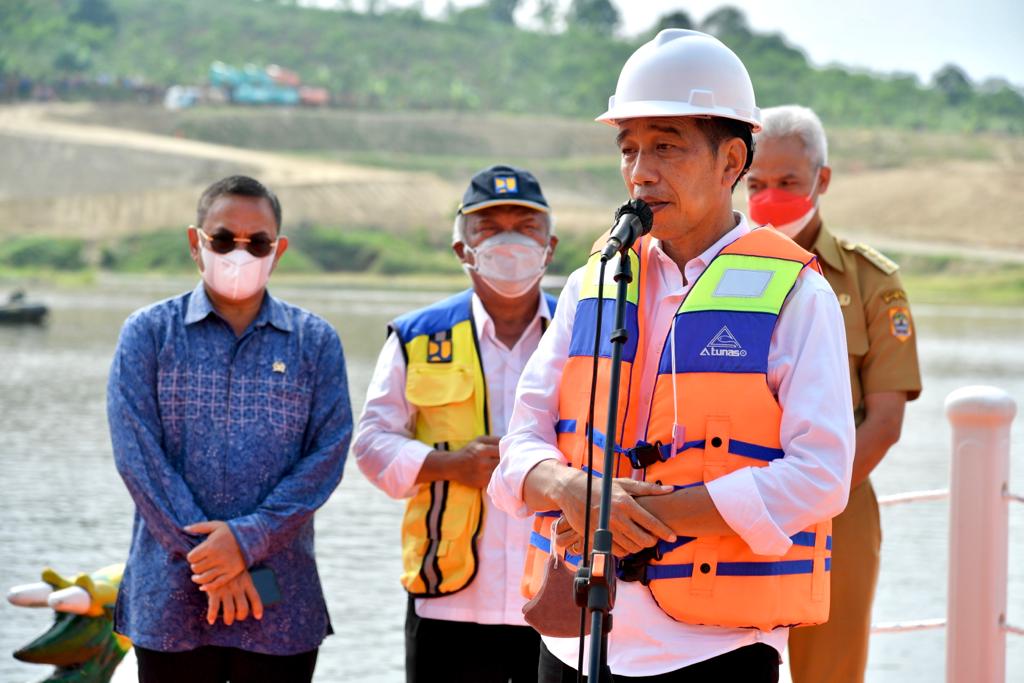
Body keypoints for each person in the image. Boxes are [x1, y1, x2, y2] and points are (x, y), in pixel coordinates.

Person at [488, 29, 855, 681]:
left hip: (712, 650)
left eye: (665, 146)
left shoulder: (798, 293)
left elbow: (822, 472)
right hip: (575, 639)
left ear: (731, 160)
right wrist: (569, 488)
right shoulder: (590, 282)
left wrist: (646, 514)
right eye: (628, 149)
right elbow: (521, 441)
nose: (640, 171)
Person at [107, 175, 352, 683]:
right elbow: (138, 457)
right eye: (222, 239)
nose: (239, 252)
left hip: (279, 600)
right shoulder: (148, 333)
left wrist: (247, 539)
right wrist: (213, 561)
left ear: (277, 250)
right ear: (196, 244)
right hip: (168, 598)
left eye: (257, 242)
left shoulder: (315, 342)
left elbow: (327, 456)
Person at [352, 164, 559, 683]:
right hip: (449, 600)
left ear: (550, 246)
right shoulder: (417, 337)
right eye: (489, 226)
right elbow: (371, 443)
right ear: (461, 248)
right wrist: (449, 465)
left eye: (525, 225)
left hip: (556, 597)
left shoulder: (586, 335)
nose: (509, 239)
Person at [746, 105, 922, 683]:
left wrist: (801, 495)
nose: (771, 196)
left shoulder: (871, 282)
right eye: (758, 184)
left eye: (788, 183)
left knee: (830, 673)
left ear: (821, 180)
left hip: (836, 511)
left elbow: (885, 420)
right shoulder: (721, 271)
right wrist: (753, 506)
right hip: (731, 506)